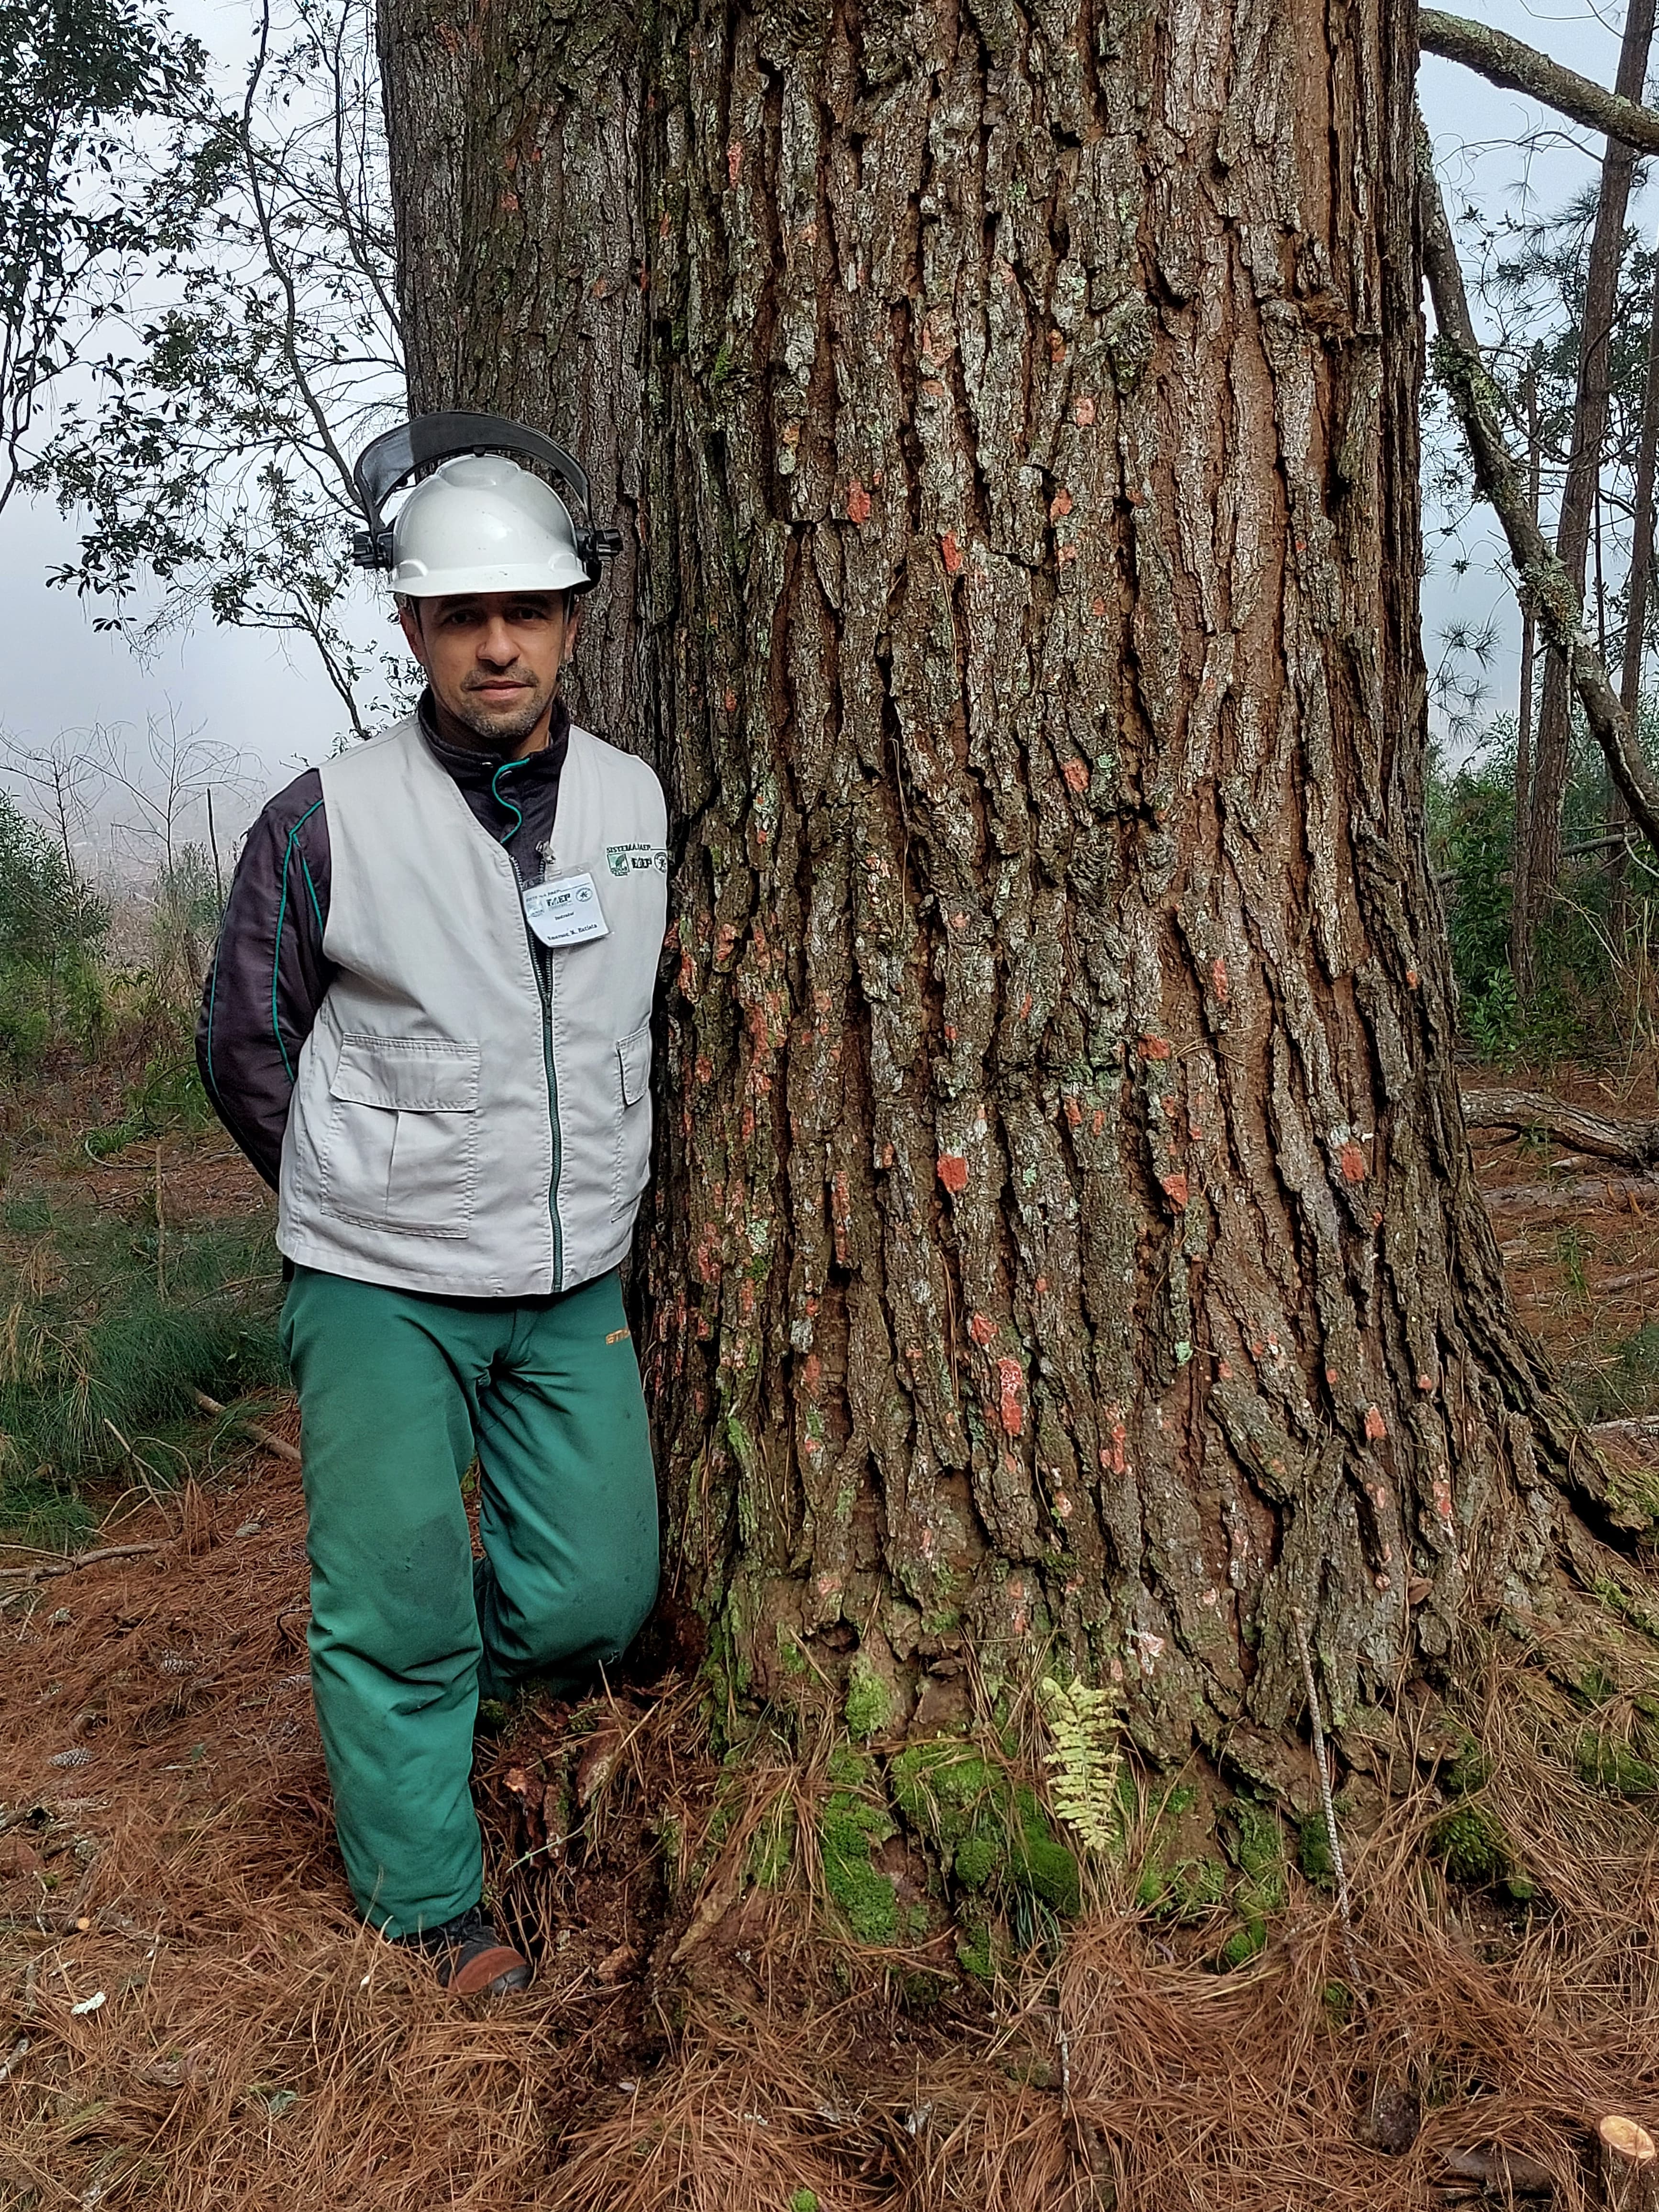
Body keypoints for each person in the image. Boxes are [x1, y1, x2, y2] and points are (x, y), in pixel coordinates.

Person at [197, 418, 666, 1996]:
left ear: (570, 620)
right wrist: (356, 1199)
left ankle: (400, 1672)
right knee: (393, 1602)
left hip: (571, 1273)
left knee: (597, 1591)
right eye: (460, 616)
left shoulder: (632, 802)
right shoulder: (324, 816)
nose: (495, 645)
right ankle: (429, 1907)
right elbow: (244, 1040)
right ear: (409, 626)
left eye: (523, 612)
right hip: (380, 1282)